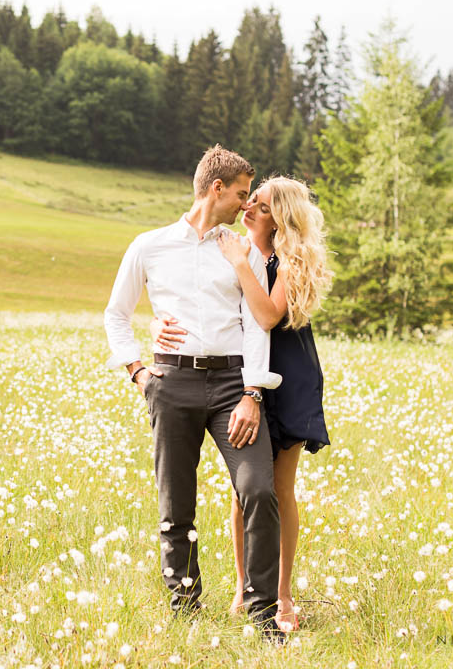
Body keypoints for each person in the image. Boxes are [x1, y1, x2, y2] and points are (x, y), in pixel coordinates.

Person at [103, 145, 285, 644]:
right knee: (175, 502)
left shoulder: (241, 250)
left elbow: (257, 325)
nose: (246, 207)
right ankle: (184, 605)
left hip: (233, 387)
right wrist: (138, 371)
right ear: (216, 189)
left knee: (258, 490)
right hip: (171, 384)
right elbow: (116, 314)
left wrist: (253, 392)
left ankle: (263, 614)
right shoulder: (150, 245)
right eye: (243, 195)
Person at [150, 175, 332, 633]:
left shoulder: (287, 258)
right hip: (239, 374)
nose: (249, 209)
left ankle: (282, 594)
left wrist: (241, 265)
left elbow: (268, 315)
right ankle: (245, 589)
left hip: (287, 376)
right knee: (242, 487)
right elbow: (196, 301)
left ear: (282, 217)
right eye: (249, 200)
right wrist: (158, 330)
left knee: (276, 487)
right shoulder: (229, 246)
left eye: (263, 206)